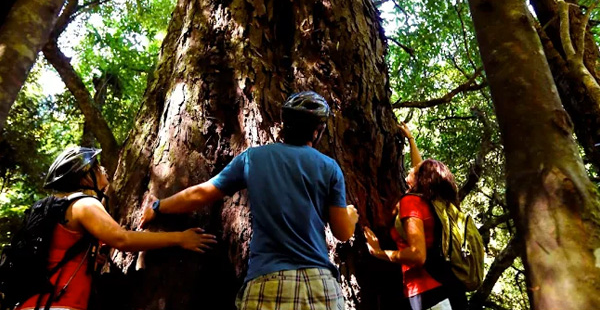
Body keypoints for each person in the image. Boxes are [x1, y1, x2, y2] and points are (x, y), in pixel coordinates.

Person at [141, 91, 359, 310]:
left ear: (286, 125)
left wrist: (159, 207)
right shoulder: (329, 167)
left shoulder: (253, 158)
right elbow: (342, 233)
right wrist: (350, 215)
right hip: (319, 286)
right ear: (317, 131)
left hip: (269, 283)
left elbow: (201, 193)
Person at [17, 147, 217, 310]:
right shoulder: (84, 204)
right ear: (85, 178)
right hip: (60, 304)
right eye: (95, 166)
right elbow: (123, 240)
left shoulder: (53, 209)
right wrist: (180, 238)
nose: (102, 168)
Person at [363, 123, 466, 310]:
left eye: (416, 171)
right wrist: (410, 140)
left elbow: (418, 256)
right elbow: (420, 166)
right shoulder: (435, 202)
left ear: (421, 179)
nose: (411, 169)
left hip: (429, 291)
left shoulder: (411, 201)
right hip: (448, 288)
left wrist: (379, 253)